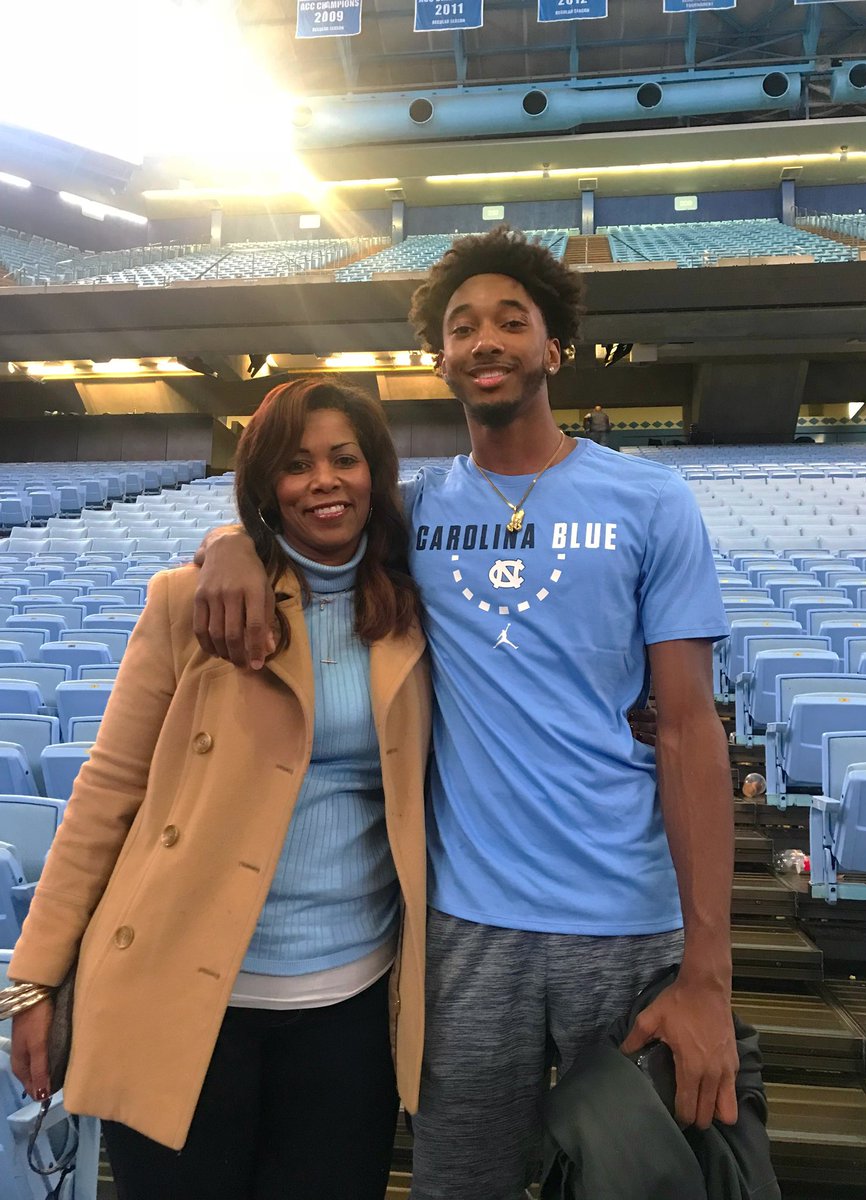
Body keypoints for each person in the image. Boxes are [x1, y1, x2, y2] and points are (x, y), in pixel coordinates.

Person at [193, 227, 741, 1200]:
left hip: (622, 920)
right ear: (438, 358)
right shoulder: (407, 509)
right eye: (462, 326)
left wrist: (709, 973)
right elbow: (293, 534)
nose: (485, 338)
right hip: (460, 928)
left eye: (511, 320)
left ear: (553, 348)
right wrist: (231, 541)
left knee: (638, 1183)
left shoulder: (651, 500)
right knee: (461, 1184)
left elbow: (692, 729)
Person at [4, 379, 431, 1200]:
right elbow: (108, 789)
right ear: (265, 485)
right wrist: (37, 976)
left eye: (345, 459)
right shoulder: (189, 601)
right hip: (184, 990)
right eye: (296, 466)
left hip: (348, 1003)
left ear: (377, 472)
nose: (323, 482)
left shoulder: (418, 603)